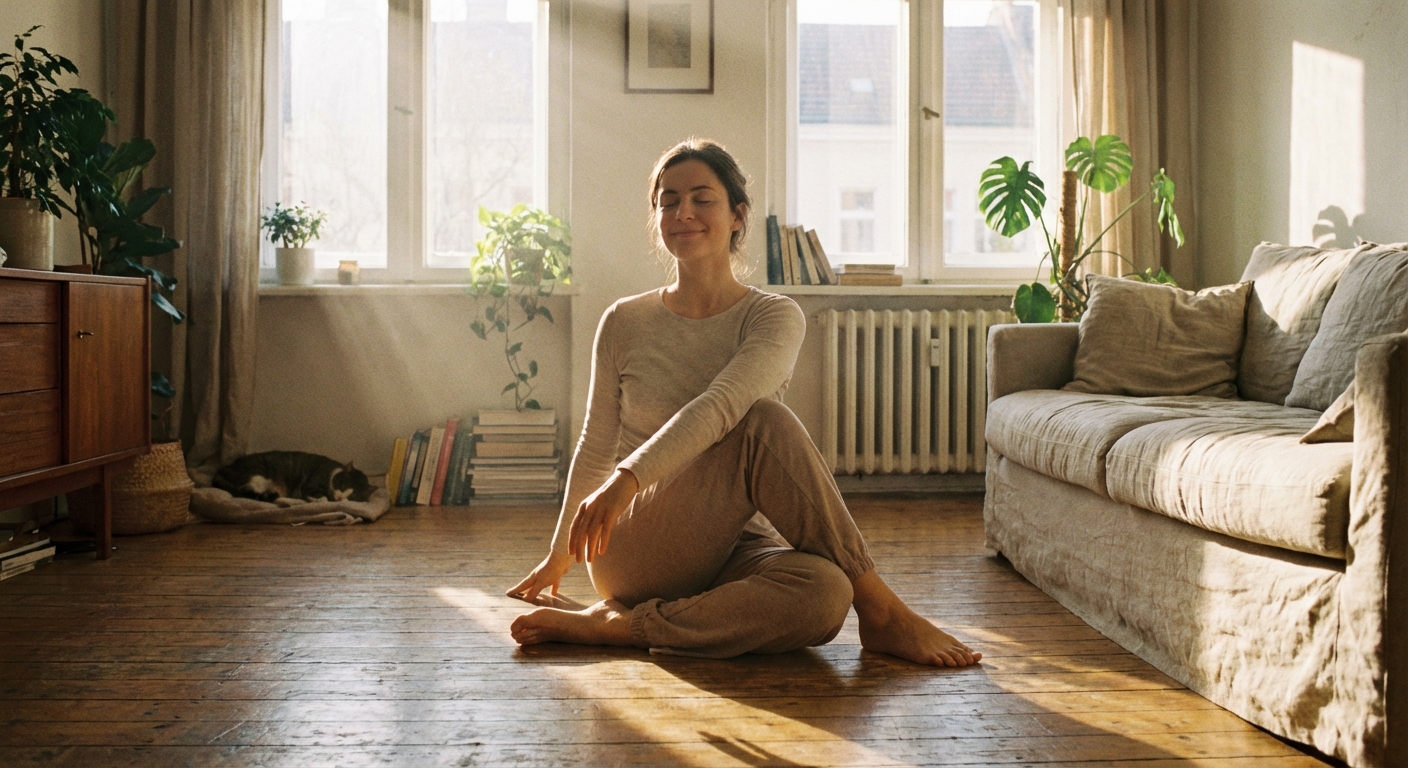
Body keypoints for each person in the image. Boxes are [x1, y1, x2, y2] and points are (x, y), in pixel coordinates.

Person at [505, 138, 981, 667]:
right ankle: (882, 610)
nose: (683, 212)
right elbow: (596, 443)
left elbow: (721, 405)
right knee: (765, 421)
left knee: (827, 593)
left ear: (737, 216)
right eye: (668, 201)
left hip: (734, 545)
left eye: (701, 199)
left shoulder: (774, 317)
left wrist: (624, 479)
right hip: (636, 545)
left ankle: (623, 628)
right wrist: (561, 553)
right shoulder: (623, 320)